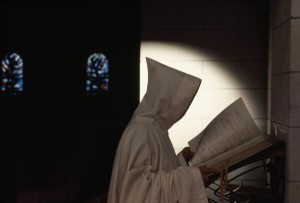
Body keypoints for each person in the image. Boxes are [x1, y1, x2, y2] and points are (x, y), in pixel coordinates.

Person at [107, 57, 218, 203]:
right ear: (164, 101)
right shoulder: (140, 132)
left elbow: (157, 173)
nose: (181, 111)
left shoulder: (155, 130)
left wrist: (180, 161)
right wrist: (192, 177)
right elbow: (135, 194)